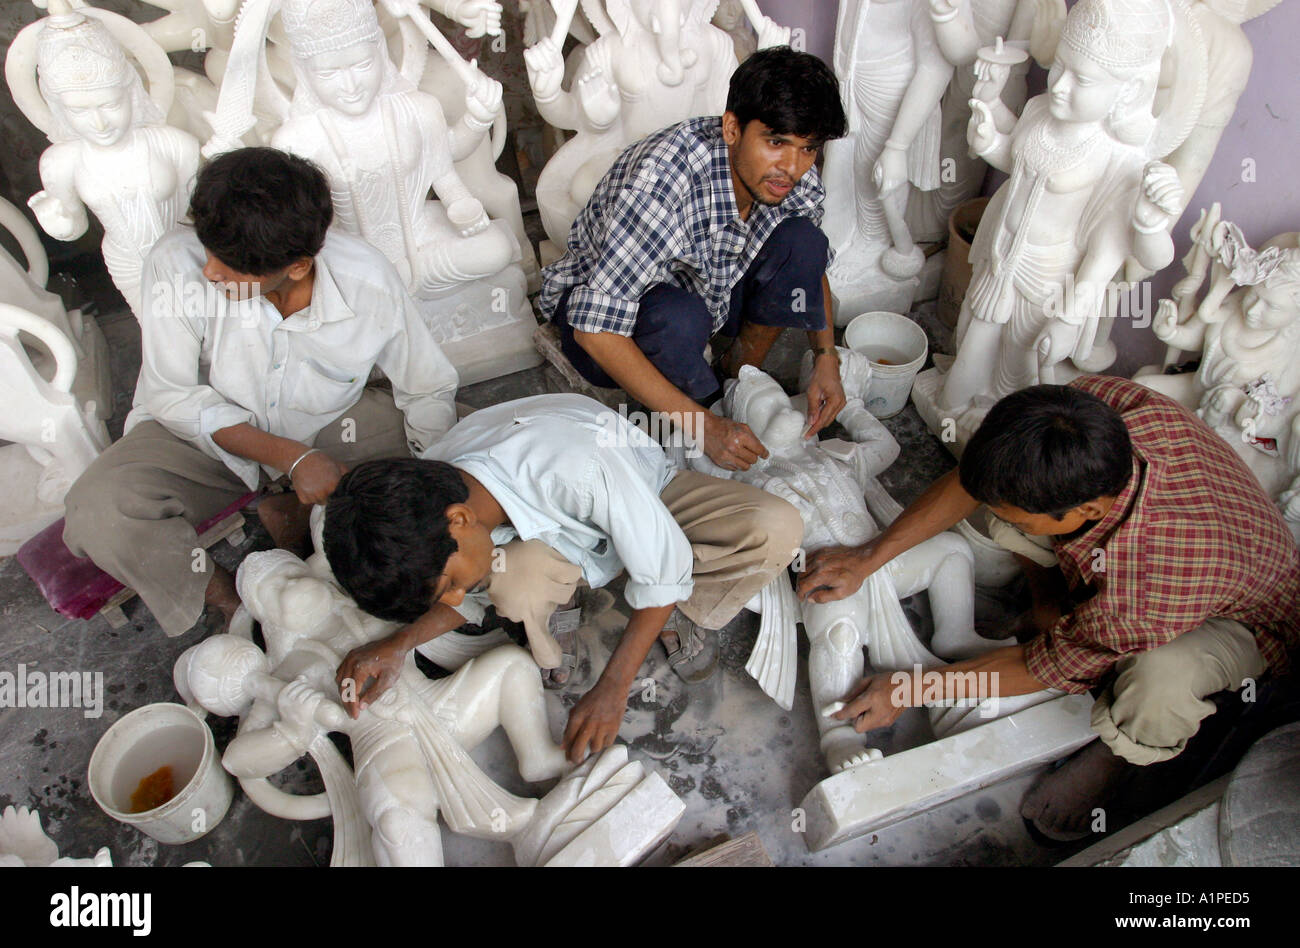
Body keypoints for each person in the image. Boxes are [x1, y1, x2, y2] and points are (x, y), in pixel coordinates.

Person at [796, 376, 1300, 839]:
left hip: (1243, 617)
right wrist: (867, 557)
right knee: (1005, 521)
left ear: (1088, 512)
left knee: (1154, 681)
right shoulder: (1084, 415)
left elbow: (1048, 668)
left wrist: (910, 688)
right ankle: (1051, 605)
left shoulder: (1144, 594)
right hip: (1189, 550)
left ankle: (1116, 757)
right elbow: (978, 479)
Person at [63, 146, 458, 638]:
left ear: (296, 266)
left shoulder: (367, 281)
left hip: (330, 427)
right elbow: (172, 395)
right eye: (208, 250)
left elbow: (426, 386)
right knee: (99, 512)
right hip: (201, 441)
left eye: (229, 266)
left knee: (466, 454)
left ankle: (291, 507)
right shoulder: (175, 263)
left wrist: (433, 490)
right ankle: (230, 599)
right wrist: (292, 459)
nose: (210, 271)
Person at [324, 394, 804, 763]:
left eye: (448, 583)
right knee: (514, 583)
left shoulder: (576, 469)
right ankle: (558, 607)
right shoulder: (437, 500)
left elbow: (662, 565)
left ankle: (681, 608)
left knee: (774, 529)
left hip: (639, 486)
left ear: (459, 520)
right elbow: (457, 585)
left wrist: (612, 690)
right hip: (550, 533)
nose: (452, 597)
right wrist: (399, 644)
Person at [536, 46, 850, 471]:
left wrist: (825, 358)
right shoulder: (659, 185)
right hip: (606, 324)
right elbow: (595, 331)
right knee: (675, 317)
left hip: (711, 292)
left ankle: (738, 372)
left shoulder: (788, 170)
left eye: (808, 148)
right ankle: (705, 406)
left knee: (804, 241)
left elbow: (810, 263)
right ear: (732, 128)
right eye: (776, 142)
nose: (792, 167)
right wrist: (703, 425)